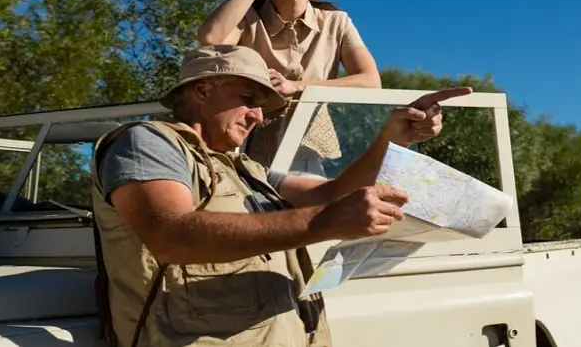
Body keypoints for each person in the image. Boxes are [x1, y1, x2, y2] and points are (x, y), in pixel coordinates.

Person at [90, 44, 472, 347]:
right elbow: (171, 235)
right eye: (248, 98)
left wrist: (392, 138)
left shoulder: (247, 169)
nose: (258, 115)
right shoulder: (147, 142)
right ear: (203, 89)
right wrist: (326, 221)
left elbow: (333, 192)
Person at [198, 0, 381, 178]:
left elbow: (371, 83)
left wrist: (297, 86)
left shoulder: (336, 22)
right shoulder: (246, 20)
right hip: (245, 153)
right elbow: (210, 38)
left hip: (310, 155)